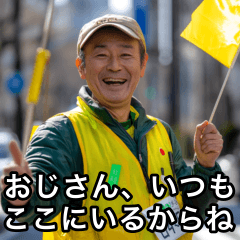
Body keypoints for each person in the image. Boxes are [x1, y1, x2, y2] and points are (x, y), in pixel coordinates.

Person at [1, 14, 224, 240]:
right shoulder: (62, 132)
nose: (115, 66)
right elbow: (41, 194)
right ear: (81, 67)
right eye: (101, 55)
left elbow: (193, 210)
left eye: (126, 55)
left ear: (143, 64)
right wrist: (24, 194)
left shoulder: (161, 132)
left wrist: (205, 166)